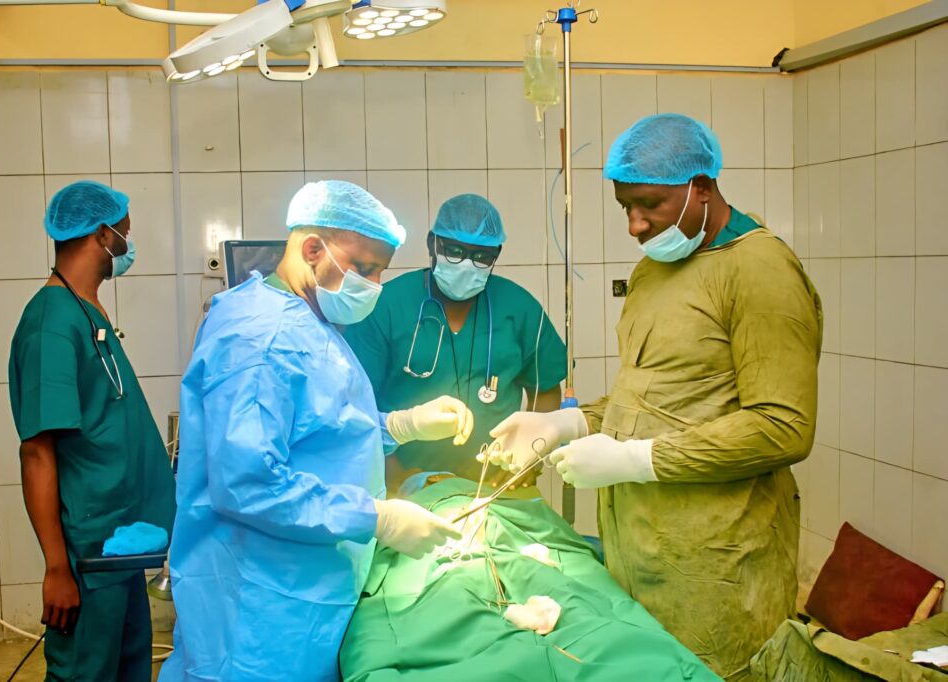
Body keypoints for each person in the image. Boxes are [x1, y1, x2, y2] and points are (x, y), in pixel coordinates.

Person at [486, 114, 823, 680]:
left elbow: (783, 426)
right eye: (625, 207)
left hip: (716, 564)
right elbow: (650, 397)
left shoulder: (759, 269)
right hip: (640, 549)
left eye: (649, 205)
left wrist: (635, 460)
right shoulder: (653, 272)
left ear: (702, 187)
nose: (634, 224)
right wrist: (566, 424)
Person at [162, 180, 471, 682]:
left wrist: (402, 424)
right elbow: (248, 484)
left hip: (301, 594)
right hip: (259, 616)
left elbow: (323, 428)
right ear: (312, 249)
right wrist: (376, 517)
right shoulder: (260, 340)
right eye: (364, 268)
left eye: (382, 271)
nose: (374, 284)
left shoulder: (302, 317)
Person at [8, 180, 177, 681]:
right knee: (86, 672)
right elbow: (37, 452)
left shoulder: (87, 309)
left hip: (120, 543)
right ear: (102, 234)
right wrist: (57, 568)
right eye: (125, 233)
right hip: (88, 554)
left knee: (128, 667)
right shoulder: (51, 325)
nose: (128, 244)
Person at [343, 194, 567, 488]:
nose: (467, 265)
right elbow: (357, 403)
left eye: (482, 256)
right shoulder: (386, 306)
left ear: (496, 255)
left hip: (494, 482)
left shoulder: (519, 307)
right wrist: (398, 475)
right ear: (432, 244)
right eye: (455, 251)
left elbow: (546, 389)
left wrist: (530, 452)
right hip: (405, 480)